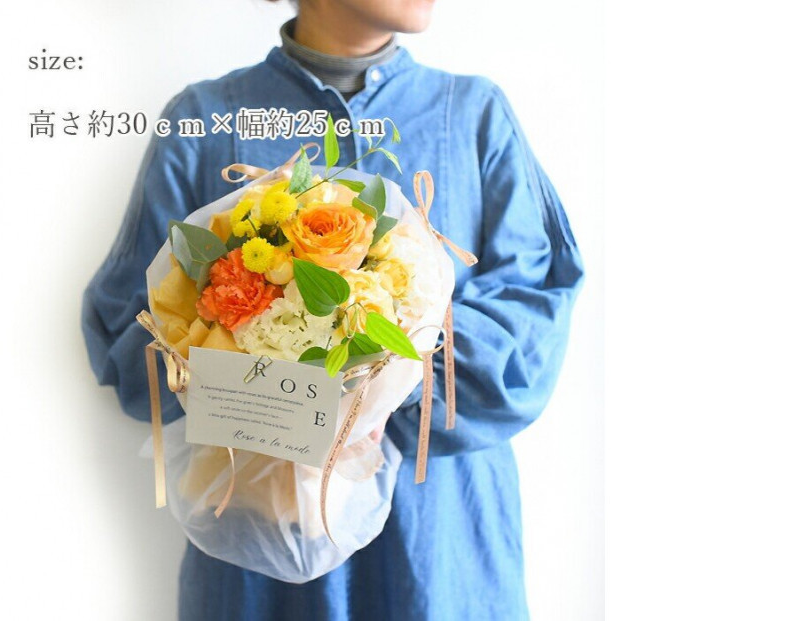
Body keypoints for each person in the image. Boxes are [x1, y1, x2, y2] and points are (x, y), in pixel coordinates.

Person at [81, 0, 584, 618]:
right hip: (259, 544)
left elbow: (531, 332)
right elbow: (128, 341)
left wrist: (385, 377)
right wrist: (271, 381)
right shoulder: (205, 118)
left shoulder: (475, 113)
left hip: (439, 541)